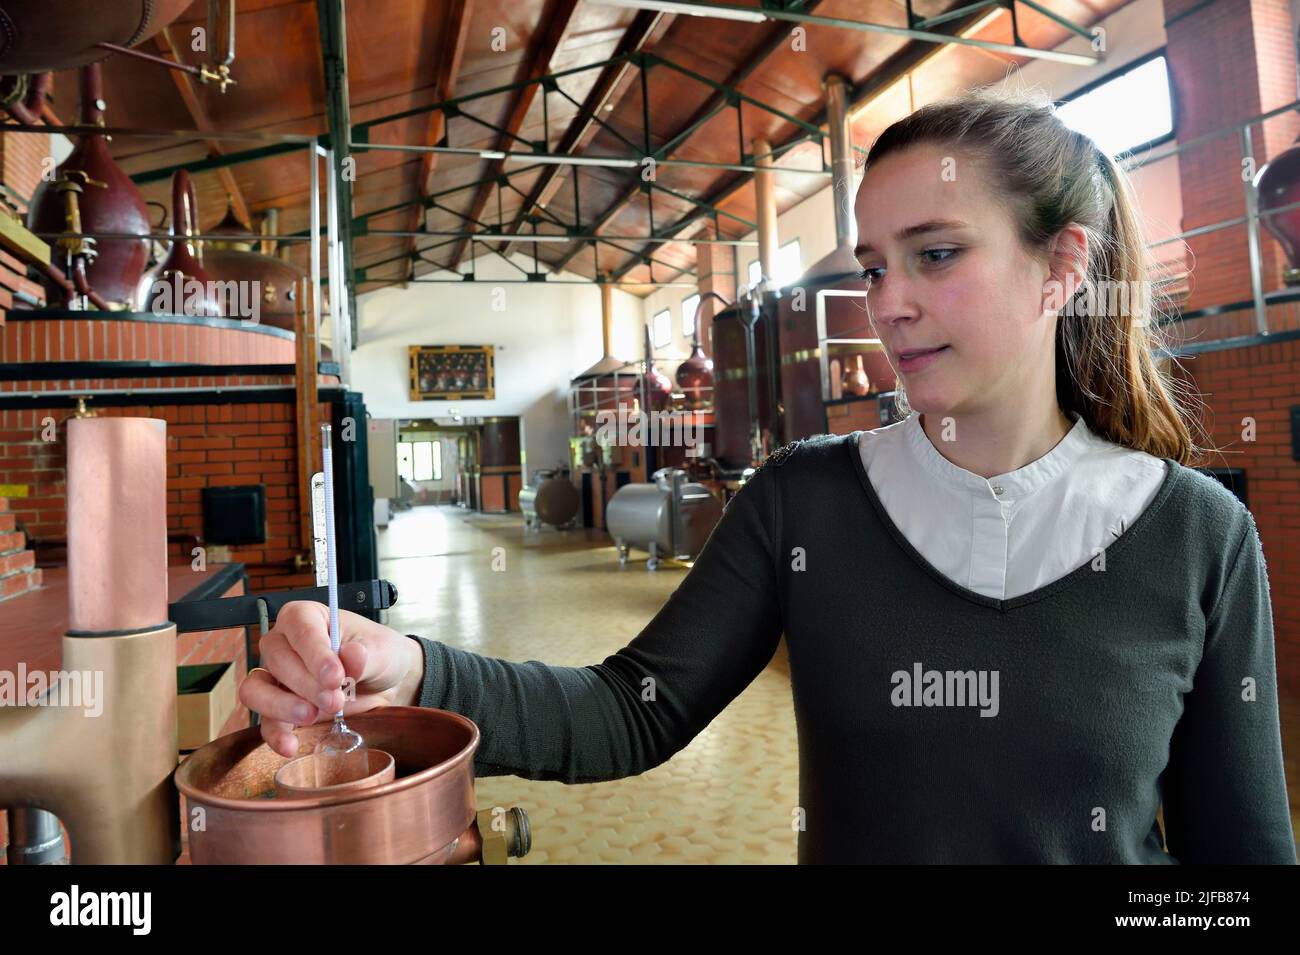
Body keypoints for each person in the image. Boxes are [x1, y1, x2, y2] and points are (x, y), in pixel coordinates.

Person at [239, 85, 1297, 864]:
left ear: (1063, 266)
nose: (887, 302)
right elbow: (631, 707)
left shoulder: (1194, 534)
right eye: (873, 266)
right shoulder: (806, 501)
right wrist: (417, 671)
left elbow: (1237, 856)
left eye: (934, 254)